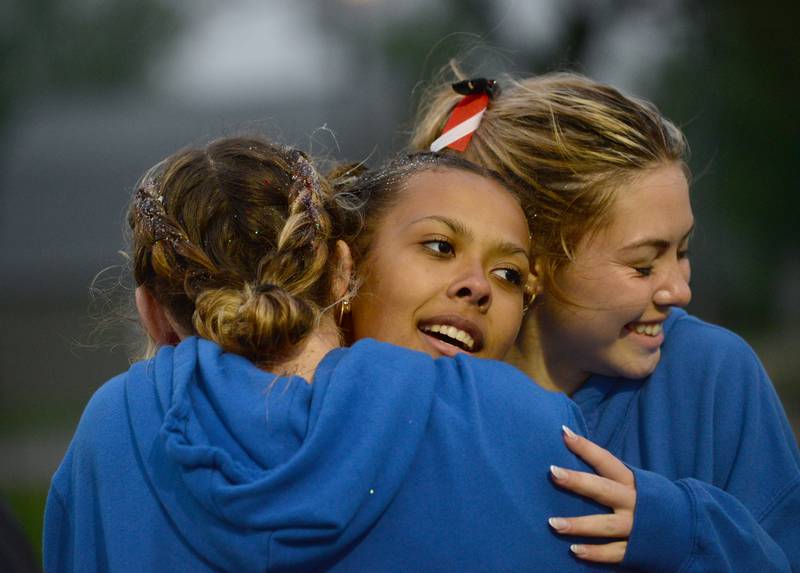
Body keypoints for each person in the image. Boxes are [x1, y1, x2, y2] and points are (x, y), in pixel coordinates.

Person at [44, 136, 613, 572]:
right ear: (345, 271)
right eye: (439, 247)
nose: (477, 286)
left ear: (150, 311)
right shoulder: (531, 423)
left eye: (510, 274)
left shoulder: (114, 428)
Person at [411, 71, 800, 572]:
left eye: (682, 251)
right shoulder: (430, 385)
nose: (679, 290)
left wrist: (685, 531)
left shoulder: (714, 376)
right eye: (642, 265)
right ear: (536, 264)